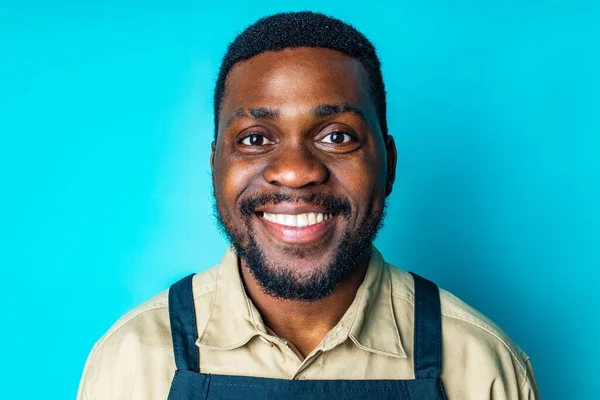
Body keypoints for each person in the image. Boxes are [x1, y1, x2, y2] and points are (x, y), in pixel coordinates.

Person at [77, 11, 539, 399]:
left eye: (337, 136)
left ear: (388, 164)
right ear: (214, 164)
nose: (296, 171)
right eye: (256, 139)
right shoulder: (133, 359)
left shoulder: (483, 364)